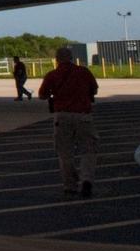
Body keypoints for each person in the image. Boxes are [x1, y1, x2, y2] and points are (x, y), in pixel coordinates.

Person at [38, 46, 100, 197]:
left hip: (62, 116)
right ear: (71, 57)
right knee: (88, 150)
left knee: (65, 153)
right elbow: (94, 89)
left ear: (57, 59)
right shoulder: (84, 72)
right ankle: (87, 179)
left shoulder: (52, 75)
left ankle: (70, 185)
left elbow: (42, 95)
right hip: (83, 115)